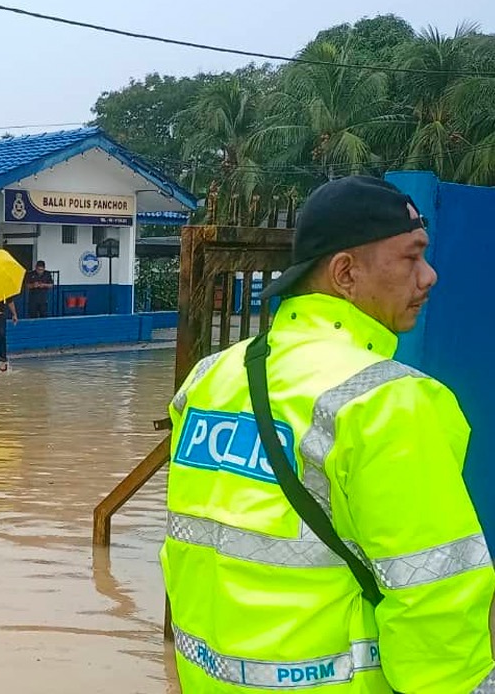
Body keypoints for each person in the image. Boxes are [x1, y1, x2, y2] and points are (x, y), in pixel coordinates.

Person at [162, 175, 495, 692]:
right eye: (411, 257)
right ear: (345, 272)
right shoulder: (387, 400)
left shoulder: (209, 379)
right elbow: (436, 597)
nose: (428, 276)